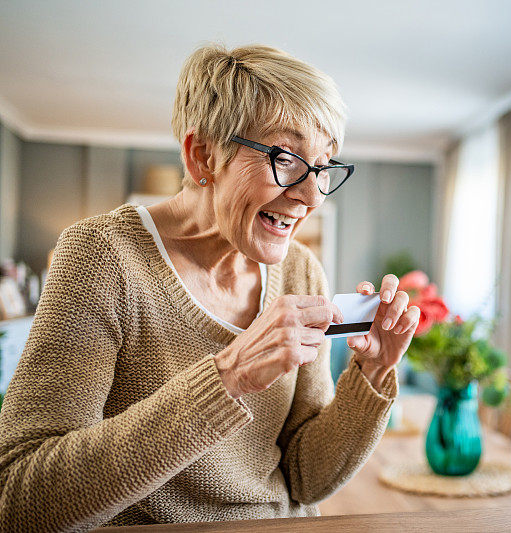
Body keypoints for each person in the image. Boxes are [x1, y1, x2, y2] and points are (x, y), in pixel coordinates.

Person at [0, 43, 420, 530]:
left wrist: (372, 373)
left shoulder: (303, 271)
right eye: (286, 158)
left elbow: (304, 479)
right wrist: (228, 377)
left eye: (323, 168)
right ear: (202, 155)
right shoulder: (101, 258)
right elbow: (19, 500)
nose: (311, 196)